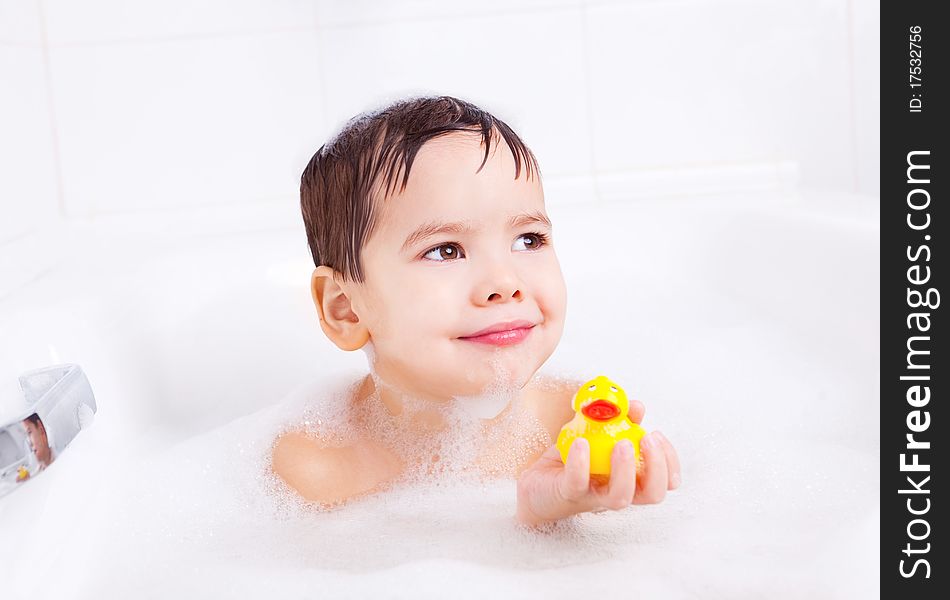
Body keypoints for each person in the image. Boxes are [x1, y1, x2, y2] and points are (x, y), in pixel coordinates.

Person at [272, 95, 681, 526]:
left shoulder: (579, 428)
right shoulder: (317, 470)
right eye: (445, 250)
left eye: (529, 239)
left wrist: (554, 519)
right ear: (346, 309)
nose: (505, 283)